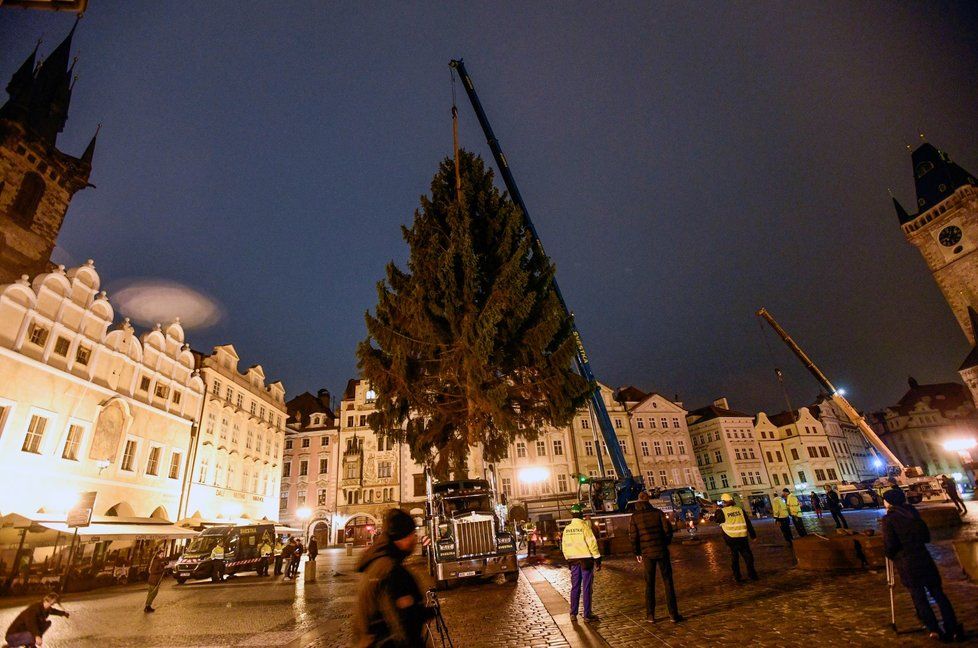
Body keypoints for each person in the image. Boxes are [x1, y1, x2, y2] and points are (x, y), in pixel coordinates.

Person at [881, 488, 964, 642]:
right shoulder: (913, 513)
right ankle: (952, 626)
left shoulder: (889, 519)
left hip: (907, 564)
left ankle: (934, 628)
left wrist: (889, 553)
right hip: (924, 558)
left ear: (889, 502)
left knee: (919, 598)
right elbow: (925, 536)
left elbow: (890, 545)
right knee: (939, 594)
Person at [353, 508, 433, 647]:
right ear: (401, 537)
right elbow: (399, 624)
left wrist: (423, 612)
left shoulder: (379, 563)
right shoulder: (392, 570)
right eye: (412, 534)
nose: (415, 539)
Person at [630, 492, 682, 623]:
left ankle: (650, 615)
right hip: (661, 550)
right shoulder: (658, 513)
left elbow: (633, 537)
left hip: (647, 554)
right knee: (668, 582)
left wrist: (637, 552)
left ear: (639, 500)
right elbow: (667, 530)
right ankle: (673, 614)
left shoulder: (635, 517)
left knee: (649, 583)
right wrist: (665, 543)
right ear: (648, 500)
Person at [562, 504, 601, 622]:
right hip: (586, 561)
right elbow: (592, 544)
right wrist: (597, 558)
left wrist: (568, 558)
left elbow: (564, 546)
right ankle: (587, 614)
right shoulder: (584, 527)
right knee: (587, 587)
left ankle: (573, 613)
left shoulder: (567, 529)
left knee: (575, 587)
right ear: (581, 514)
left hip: (573, 561)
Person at [712, 493, 758, 584]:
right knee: (748, 557)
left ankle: (737, 577)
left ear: (724, 502)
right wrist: (753, 535)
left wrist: (716, 510)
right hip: (742, 536)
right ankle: (752, 574)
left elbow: (717, 520)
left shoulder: (721, 511)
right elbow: (748, 522)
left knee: (734, 558)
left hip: (731, 538)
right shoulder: (740, 510)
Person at [144, 547, 166, 613]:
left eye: (163, 554)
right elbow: (153, 571)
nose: (162, 555)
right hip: (154, 580)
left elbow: (157, 567)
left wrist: (163, 565)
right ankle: (147, 606)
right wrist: (162, 570)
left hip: (153, 579)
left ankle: (148, 606)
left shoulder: (157, 560)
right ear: (158, 555)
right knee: (153, 593)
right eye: (161, 554)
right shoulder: (157, 561)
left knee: (151, 593)